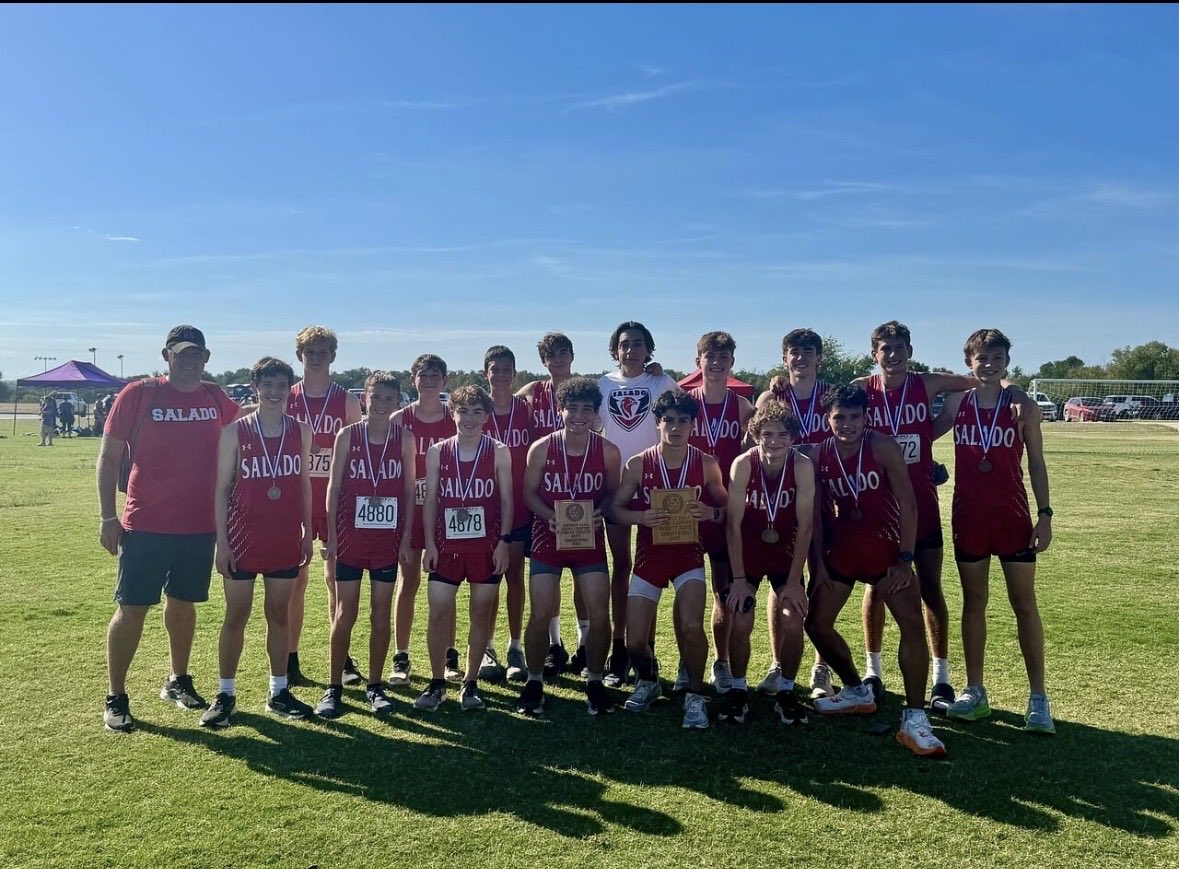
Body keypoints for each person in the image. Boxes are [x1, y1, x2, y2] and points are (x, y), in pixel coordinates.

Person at [96, 325, 242, 732]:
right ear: (167, 355)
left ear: (207, 357)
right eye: (181, 353)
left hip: (199, 525)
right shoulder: (140, 394)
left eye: (196, 354)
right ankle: (116, 696)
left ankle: (177, 680)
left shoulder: (215, 396)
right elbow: (108, 459)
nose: (189, 360)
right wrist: (108, 516)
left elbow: (250, 428)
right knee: (132, 608)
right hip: (146, 523)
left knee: (183, 604)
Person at [805, 386, 946, 757]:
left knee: (911, 625)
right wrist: (818, 566)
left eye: (854, 417)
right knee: (816, 623)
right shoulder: (820, 454)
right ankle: (855, 690)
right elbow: (817, 519)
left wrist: (905, 558)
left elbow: (908, 503)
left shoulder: (881, 446)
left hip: (886, 553)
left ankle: (914, 717)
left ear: (866, 418)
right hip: (843, 553)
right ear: (827, 419)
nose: (847, 424)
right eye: (839, 417)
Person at [853, 320, 981, 711]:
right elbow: (822, 401)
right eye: (884, 349)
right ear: (874, 354)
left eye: (898, 348)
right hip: (879, 502)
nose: (892, 355)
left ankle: (941, 676)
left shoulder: (926, 383)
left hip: (921, 500)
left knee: (929, 586)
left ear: (909, 350)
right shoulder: (862, 389)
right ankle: (873, 670)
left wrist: (937, 427)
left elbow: (970, 382)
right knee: (875, 587)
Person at [938, 329, 1055, 734]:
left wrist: (1045, 514)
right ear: (968, 361)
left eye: (997, 358)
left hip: (1013, 517)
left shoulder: (1022, 406)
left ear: (1007, 360)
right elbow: (923, 432)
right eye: (981, 358)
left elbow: (1036, 463)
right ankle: (975, 690)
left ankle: (1038, 698)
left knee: (1024, 604)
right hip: (969, 517)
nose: (988, 364)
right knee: (974, 603)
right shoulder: (958, 402)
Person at [201, 358, 314, 726]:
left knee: (278, 615)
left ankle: (278, 690)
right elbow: (219, 490)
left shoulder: (300, 430)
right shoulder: (235, 432)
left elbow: (304, 484)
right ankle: (226, 693)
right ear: (255, 388)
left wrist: (306, 532)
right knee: (236, 616)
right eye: (267, 384)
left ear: (289, 389)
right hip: (243, 536)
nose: (274, 392)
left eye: (281, 385)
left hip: (283, 537)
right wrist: (223, 541)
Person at [609, 389, 728, 730]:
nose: (676, 427)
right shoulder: (638, 463)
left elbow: (729, 508)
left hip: (688, 556)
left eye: (683, 421)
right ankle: (648, 680)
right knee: (634, 640)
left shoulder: (705, 463)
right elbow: (615, 509)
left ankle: (694, 695)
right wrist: (641, 518)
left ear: (693, 424)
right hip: (649, 558)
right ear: (657, 423)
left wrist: (710, 511)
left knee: (692, 627)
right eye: (669, 421)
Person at [515, 377, 621, 716]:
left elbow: (613, 494)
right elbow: (529, 494)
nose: (578, 415)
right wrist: (551, 516)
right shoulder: (542, 447)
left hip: (588, 539)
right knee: (540, 613)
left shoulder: (607, 450)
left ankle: (594, 681)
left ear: (595, 414)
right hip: (549, 536)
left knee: (599, 613)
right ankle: (534, 681)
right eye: (571, 408)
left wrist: (600, 513)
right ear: (560, 410)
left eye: (586, 410)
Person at [315, 372, 416, 719]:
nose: (382, 404)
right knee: (345, 613)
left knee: (380, 615)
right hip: (350, 539)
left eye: (389, 399)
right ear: (365, 398)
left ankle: (375, 685)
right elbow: (333, 488)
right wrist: (331, 535)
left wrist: (404, 540)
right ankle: (334, 687)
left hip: (386, 542)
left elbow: (407, 492)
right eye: (376, 398)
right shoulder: (347, 435)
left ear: (397, 402)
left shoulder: (404, 438)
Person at [413, 386, 512, 712]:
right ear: (452, 413)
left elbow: (507, 500)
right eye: (463, 411)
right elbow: (430, 501)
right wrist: (429, 543)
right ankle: (438, 681)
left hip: (485, 547)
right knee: (439, 611)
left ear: (486, 416)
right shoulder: (438, 452)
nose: (469, 418)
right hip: (447, 548)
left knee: (480, 614)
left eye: (476, 412)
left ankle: (470, 683)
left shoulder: (498, 450)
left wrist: (503, 542)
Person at [755, 328, 837, 699]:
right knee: (780, 579)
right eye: (793, 351)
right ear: (784, 357)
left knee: (823, 577)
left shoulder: (831, 396)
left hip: (830, 498)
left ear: (819, 357)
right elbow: (754, 442)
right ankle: (777, 662)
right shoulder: (773, 396)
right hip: (781, 504)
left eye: (808, 351)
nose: (800, 357)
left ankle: (822, 667)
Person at [596, 322, 678, 687]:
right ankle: (619, 648)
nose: (631, 350)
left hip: (653, 486)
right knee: (621, 566)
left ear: (649, 349)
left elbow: (682, 409)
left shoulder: (662, 382)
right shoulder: (602, 385)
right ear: (615, 349)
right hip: (614, 485)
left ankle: (645, 648)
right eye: (625, 344)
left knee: (651, 571)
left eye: (639, 344)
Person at [723, 404, 814, 725]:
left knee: (792, 621)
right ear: (755, 435)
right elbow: (732, 525)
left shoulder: (801, 465)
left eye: (782, 435)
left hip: (784, 555)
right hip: (747, 554)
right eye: (767, 435)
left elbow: (805, 526)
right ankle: (737, 690)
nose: (774, 442)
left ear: (793, 437)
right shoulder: (742, 464)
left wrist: (792, 582)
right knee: (741, 618)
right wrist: (737, 578)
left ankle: (786, 692)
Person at [285, 326, 363, 688]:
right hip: (296, 500)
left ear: (333, 356)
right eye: (309, 352)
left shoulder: (347, 401)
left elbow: (358, 451)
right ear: (299, 355)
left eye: (322, 352)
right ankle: (289, 658)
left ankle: (342, 658)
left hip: (335, 501)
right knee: (295, 581)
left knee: (335, 581)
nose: (315, 358)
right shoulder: (287, 397)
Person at [685, 331, 754, 696]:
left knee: (723, 589)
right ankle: (688, 660)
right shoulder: (684, 404)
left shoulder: (742, 408)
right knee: (688, 591)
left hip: (727, 512)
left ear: (731, 363)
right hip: (690, 510)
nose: (716, 362)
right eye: (709, 356)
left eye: (723, 357)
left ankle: (722, 662)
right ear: (698, 361)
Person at [515, 332, 586, 676]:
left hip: (583, 493)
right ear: (543, 361)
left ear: (572, 355)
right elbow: (500, 405)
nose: (557, 359)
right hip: (545, 496)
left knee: (585, 574)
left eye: (562, 353)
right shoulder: (533, 392)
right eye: (550, 355)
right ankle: (555, 645)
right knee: (550, 576)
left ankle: (585, 643)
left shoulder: (588, 390)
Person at [390, 354, 459, 685]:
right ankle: (401, 656)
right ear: (413, 379)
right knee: (409, 581)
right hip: (409, 513)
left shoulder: (455, 418)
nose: (429, 380)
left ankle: (450, 655)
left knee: (447, 583)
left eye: (435, 375)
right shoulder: (398, 420)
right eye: (423, 375)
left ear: (445, 380)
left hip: (445, 513)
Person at [480, 346, 536, 683]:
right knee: (488, 581)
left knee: (515, 576)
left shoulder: (526, 410)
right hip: (484, 509)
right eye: (494, 369)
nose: (500, 375)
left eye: (507, 369)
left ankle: (515, 646)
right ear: (486, 372)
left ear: (515, 373)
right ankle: (487, 648)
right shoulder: (477, 410)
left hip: (518, 508)